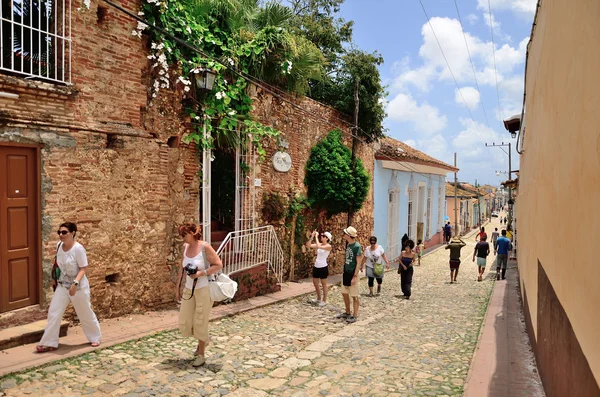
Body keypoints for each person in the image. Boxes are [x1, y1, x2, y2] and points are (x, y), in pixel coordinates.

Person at [37, 222, 101, 352]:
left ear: (72, 233)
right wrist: (54, 279)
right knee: (54, 312)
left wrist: (75, 284)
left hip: (78, 287)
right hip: (62, 285)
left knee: (84, 312)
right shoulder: (59, 245)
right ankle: (49, 342)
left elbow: (83, 268)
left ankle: (95, 337)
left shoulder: (78, 249)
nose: (61, 235)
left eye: (64, 232)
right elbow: (57, 264)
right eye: (59, 232)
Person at [176, 223, 223, 367]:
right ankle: (202, 341)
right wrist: (178, 287)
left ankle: (201, 354)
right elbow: (182, 269)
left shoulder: (205, 247)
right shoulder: (185, 248)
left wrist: (201, 273)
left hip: (203, 288)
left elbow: (218, 265)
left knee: (200, 319)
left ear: (192, 233)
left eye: (184, 235)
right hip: (189, 289)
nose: (183, 238)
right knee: (186, 318)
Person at [336, 226, 362, 324]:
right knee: (344, 292)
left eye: (345, 233)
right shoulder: (348, 245)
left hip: (352, 273)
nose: (344, 235)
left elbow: (358, 262)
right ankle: (347, 312)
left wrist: (355, 276)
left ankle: (354, 315)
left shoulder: (357, 246)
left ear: (348, 235)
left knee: (354, 295)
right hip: (346, 272)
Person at [306, 230, 332, 306]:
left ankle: (324, 300)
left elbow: (319, 246)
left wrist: (316, 237)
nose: (322, 237)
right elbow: (308, 245)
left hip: (323, 266)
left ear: (327, 238)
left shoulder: (328, 246)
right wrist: (312, 237)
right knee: (315, 282)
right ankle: (318, 298)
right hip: (316, 266)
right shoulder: (319, 244)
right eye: (322, 236)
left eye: (323, 236)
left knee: (323, 284)